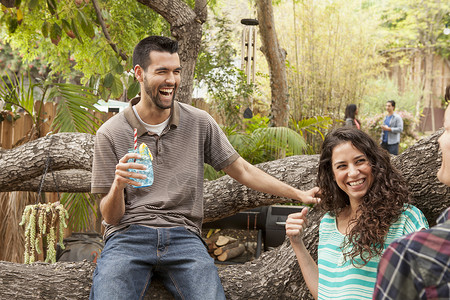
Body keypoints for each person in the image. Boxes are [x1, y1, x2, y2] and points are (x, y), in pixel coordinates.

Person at [89, 36, 319, 300]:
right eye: (162, 71)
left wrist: (297, 195)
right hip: (128, 236)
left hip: (183, 237)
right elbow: (111, 216)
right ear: (139, 74)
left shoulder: (199, 122)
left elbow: (243, 171)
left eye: (176, 72)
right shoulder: (110, 132)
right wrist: (118, 185)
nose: (171, 80)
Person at [285, 127, 428, 300]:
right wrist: (297, 243)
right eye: (342, 166)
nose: (353, 173)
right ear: (332, 174)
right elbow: (324, 293)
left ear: (375, 163)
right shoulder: (328, 222)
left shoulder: (406, 219)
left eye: (360, 161)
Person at [372, 104, 450, 300]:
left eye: (447, 130)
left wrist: (389, 130)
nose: (439, 139)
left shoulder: (409, 255)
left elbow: (398, 131)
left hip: (393, 142)